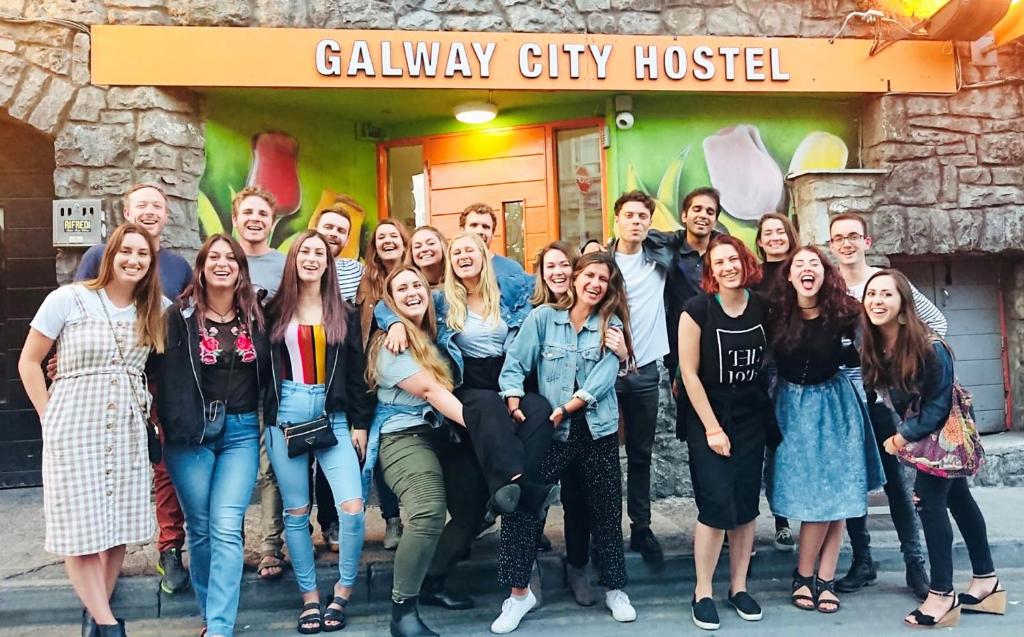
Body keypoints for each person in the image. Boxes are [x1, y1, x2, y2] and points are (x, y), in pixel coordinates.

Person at [374, 232, 550, 611]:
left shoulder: (513, 287)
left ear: (488, 255)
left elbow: (555, 283)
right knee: (461, 499)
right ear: (449, 263)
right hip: (457, 400)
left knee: (539, 412)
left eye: (472, 249)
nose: (465, 256)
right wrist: (394, 323)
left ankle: (519, 490)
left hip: (507, 378)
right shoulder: (437, 304)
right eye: (457, 252)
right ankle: (517, 488)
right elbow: (390, 304)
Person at [20, 223, 167, 637]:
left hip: (126, 429)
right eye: (126, 251)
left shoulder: (156, 309)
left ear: (151, 263)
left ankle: (95, 619)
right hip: (74, 425)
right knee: (80, 526)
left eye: (143, 254)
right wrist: (48, 417)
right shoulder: (69, 299)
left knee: (117, 524)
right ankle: (108, 623)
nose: (133, 260)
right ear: (110, 255)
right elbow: (29, 362)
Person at [496, 252, 638, 633]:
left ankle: (615, 588)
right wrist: (512, 397)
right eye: (589, 275)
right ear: (575, 278)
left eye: (603, 279)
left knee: (606, 511)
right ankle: (517, 594)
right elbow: (516, 362)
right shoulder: (543, 318)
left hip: (595, 428)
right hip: (550, 431)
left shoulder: (611, 323)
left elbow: (607, 374)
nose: (595, 284)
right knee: (525, 507)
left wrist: (570, 406)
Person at [862, 269, 1004, 628]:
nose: (877, 301)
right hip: (929, 435)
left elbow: (939, 408)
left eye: (887, 295)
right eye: (872, 294)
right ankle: (986, 581)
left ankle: (942, 593)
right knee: (959, 500)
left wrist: (901, 436)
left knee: (928, 502)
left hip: (943, 436)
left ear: (904, 303)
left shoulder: (931, 347)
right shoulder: (880, 343)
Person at [74, 183, 192, 595]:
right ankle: (101, 551)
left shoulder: (178, 266)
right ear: (126, 211)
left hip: (161, 380)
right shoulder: (98, 256)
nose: (150, 211)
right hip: (108, 382)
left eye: (157, 206)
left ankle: (170, 548)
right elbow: (75, 315)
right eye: (141, 204)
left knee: (164, 467)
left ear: (166, 215)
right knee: (105, 468)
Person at [156, 234, 271, 637]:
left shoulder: (257, 315)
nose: (223, 263)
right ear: (201, 267)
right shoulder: (178, 316)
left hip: (239, 432)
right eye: (214, 257)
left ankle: (219, 627)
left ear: (240, 268)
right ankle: (210, 613)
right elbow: (156, 370)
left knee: (225, 525)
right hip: (190, 435)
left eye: (231, 258)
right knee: (201, 527)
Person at [263, 230, 377, 633]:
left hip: (332, 414)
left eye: (320, 253)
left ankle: (343, 590)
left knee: (352, 506)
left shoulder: (343, 312)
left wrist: (360, 423)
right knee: (297, 512)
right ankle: (310, 597)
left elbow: (356, 370)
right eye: (305, 252)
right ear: (294, 258)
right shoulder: (271, 308)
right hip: (285, 414)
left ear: (329, 263)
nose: (312, 258)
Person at [829, 212, 942, 600]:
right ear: (832, 245)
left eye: (853, 236)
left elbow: (935, 323)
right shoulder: (831, 287)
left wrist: (904, 370)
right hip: (843, 397)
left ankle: (916, 563)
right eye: (838, 238)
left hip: (882, 399)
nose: (846, 243)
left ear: (867, 241)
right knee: (853, 482)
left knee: (896, 483)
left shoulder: (887, 283)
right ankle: (863, 561)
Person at [767, 246, 884, 616]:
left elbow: (877, 350)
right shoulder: (776, 313)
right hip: (792, 407)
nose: (806, 269)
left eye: (813, 263)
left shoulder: (846, 312)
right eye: (798, 264)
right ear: (788, 276)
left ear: (825, 273)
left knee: (839, 496)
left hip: (836, 406)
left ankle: (822, 579)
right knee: (816, 499)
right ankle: (806, 575)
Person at [364, 266, 469, 637]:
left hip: (440, 435)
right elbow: (431, 392)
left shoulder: (436, 332)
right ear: (391, 300)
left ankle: (433, 580)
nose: (412, 292)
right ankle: (402, 612)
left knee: (475, 507)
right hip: (402, 436)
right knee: (427, 510)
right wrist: (482, 428)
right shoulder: (390, 343)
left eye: (417, 285)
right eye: (401, 288)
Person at [678, 236, 772, 630]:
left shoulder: (763, 307)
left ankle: (738, 586)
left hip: (751, 415)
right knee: (716, 504)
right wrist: (713, 428)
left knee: (746, 504)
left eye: (733, 258)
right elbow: (688, 373)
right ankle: (703, 591)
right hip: (708, 414)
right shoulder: (697, 311)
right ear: (710, 271)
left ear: (744, 261)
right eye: (719, 262)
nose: (728, 266)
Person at [609, 190, 697, 564]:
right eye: (629, 215)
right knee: (604, 455)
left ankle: (641, 529)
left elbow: (691, 232)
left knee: (642, 453)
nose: (636, 222)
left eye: (643, 217)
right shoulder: (600, 260)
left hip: (645, 370)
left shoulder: (659, 255)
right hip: (605, 372)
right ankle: (607, 527)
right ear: (617, 219)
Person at [228, 186, 290, 582]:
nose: (255, 218)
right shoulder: (220, 257)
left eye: (262, 213)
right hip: (226, 379)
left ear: (272, 221)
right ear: (235, 219)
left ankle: (271, 546)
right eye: (247, 212)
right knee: (230, 466)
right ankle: (229, 545)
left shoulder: (284, 265)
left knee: (272, 465)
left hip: (272, 375)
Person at [355, 219, 410, 550]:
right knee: (375, 448)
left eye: (393, 236)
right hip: (373, 373)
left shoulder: (414, 277)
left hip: (412, 374)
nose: (387, 241)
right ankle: (392, 518)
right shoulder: (365, 280)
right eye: (381, 238)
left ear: (404, 241)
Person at [752, 212, 799, 553]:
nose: (774, 237)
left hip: (797, 365)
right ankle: (778, 520)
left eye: (780, 231)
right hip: (763, 367)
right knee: (768, 443)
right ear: (760, 240)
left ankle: (790, 513)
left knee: (790, 445)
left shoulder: (801, 269)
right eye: (768, 232)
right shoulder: (753, 276)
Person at [311, 198, 365, 303]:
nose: (334, 234)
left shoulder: (356, 269)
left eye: (341, 231)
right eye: (328, 227)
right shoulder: (296, 267)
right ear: (313, 231)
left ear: (347, 240)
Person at [459, 202, 526, 284]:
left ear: (492, 233)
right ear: (462, 229)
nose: (480, 231)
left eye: (485, 227)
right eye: (474, 225)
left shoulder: (512, 270)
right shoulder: (452, 268)